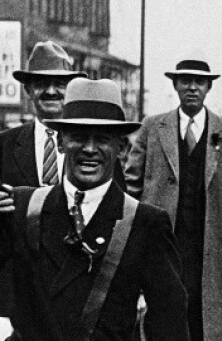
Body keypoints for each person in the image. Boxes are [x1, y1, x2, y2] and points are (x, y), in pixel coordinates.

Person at [0, 78, 189, 340]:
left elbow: (170, 324)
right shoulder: (21, 208)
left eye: (102, 139)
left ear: (121, 148)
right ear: (61, 143)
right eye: (78, 137)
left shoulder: (146, 224)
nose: (90, 149)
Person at [124, 57, 222, 341]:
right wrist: (130, 242)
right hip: (163, 247)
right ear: (175, 85)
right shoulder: (152, 128)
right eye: (185, 81)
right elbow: (131, 188)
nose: (192, 88)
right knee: (162, 322)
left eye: (199, 82)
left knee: (206, 325)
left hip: (212, 250)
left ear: (209, 87)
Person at [0, 40, 86, 330]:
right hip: (17, 300)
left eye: (59, 83)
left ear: (71, 89)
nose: (50, 91)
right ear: (28, 90)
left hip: (77, 293)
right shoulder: (5, 145)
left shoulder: (92, 146)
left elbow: (118, 210)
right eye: (41, 83)